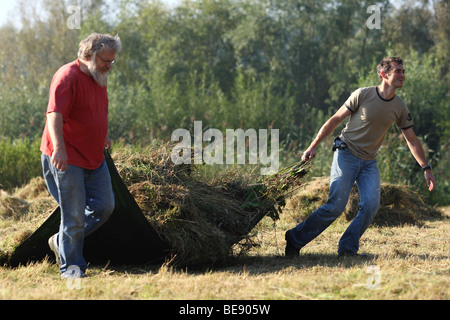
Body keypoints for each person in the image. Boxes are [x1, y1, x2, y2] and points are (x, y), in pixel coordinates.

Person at [285, 56, 436, 258]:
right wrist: (313, 146)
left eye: (403, 71)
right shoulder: (363, 95)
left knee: (372, 205)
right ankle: (295, 238)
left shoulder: (399, 107)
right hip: (346, 153)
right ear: (384, 74)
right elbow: (335, 120)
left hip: (369, 162)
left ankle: (347, 248)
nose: (402, 74)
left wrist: (426, 168)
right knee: (336, 206)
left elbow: (412, 140)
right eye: (397, 71)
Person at [40, 33, 122, 278]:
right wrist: (59, 149)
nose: (109, 65)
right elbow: (54, 115)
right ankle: (72, 269)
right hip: (67, 157)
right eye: (106, 60)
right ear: (88, 56)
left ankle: (60, 240)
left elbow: (93, 112)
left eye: (112, 61)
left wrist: (102, 135)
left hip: (94, 155)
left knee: (105, 207)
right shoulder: (67, 77)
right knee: (74, 216)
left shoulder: (99, 77)